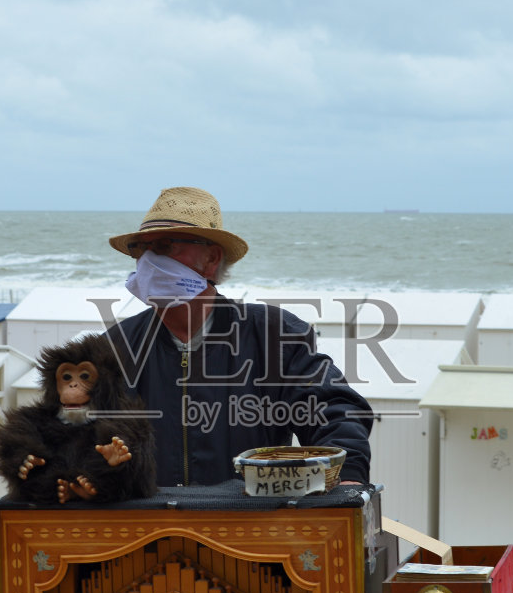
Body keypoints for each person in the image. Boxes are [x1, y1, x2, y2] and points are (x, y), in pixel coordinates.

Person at [103, 186, 372, 489]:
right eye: (141, 249)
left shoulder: (272, 335)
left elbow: (335, 412)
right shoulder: (113, 348)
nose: (148, 261)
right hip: (146, 530)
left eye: (164, 246)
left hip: (250, 525)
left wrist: (348, 477)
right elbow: (75, 433)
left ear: (212, 258)